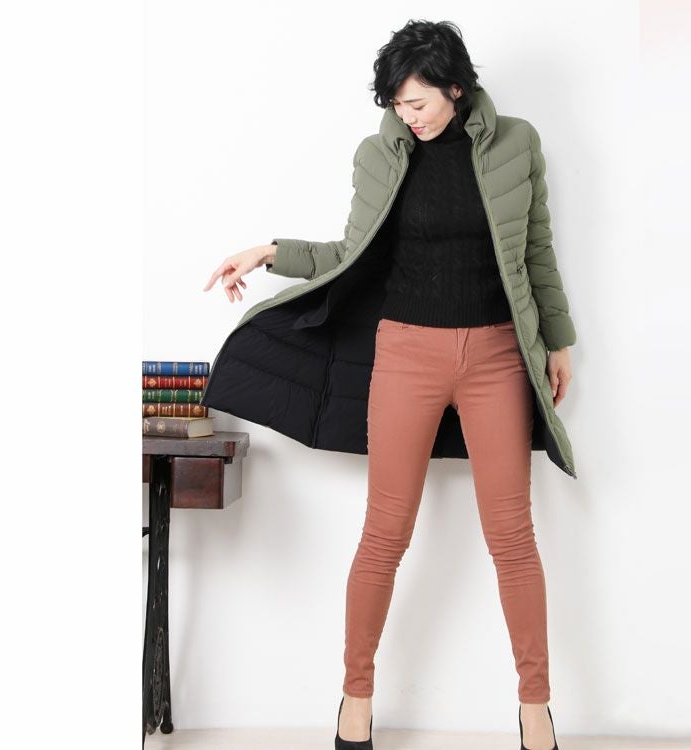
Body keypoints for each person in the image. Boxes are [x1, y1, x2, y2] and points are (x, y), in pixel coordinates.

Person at [203, 19, 571, 750]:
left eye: (419, 102)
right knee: (384, 534)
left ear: (456, 87)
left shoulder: (517, 144)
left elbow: (536, 249)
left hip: (497, 357)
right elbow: (350, 251)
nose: (409, 115)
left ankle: (536, 708)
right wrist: (270, 251)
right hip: (405, 357)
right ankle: (356, 697)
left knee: (511, 538)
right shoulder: (380, 155)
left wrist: (557, 339)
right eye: (398, 104)